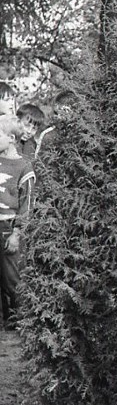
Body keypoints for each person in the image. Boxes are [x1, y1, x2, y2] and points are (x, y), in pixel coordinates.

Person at [0, 115, 35, 331]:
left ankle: (17, 323)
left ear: (11, 138)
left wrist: (17, 233)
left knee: (11, 279)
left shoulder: (23, 167)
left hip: (8, 229)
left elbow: (26, 205)